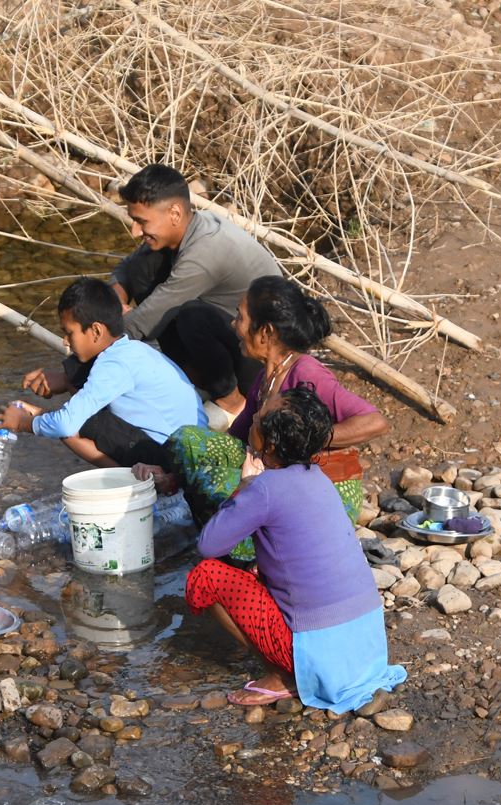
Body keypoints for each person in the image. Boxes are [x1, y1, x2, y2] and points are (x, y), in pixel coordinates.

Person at [138, 275, 389, 559]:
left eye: (240, 318)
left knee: (218, 484)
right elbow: (233, 441)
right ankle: (226, 538)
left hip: (326, 491)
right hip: (278, 475)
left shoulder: (305, 372)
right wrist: (175, 475)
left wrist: (308, 439)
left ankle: (250, 554)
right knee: (189, 440)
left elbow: (375, 422)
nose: (234, 326)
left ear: (265, 332)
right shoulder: (266, 379)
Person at [187, 386, 406, 709]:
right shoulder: (317, 477)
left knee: (205, 577)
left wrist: (243, 486)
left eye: (259, 417)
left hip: (325, 658)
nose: (253, 417)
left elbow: (208, 545)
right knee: (254, 570)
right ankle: (293, 667)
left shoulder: (265, 488)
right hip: (364, 650)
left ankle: (282, 676)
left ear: (269, 443)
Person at [108, 164, 281, 426]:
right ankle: (199, 384)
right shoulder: (184, 230)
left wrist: (96, 344)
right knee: (145, 267)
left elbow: (146, 320)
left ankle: (233, 402)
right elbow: (126, 270)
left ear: (174, 213)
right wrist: (114, 306)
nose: (134, 231)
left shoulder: (205, 251)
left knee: (190, 316)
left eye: (141, 221)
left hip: (259, 361)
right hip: (229, 336)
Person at [1, 278, 204, 468]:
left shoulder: (112, 365)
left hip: (177, 461)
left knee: (82, 423)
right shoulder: (135, 350)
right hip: (197, 449)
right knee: (80, 413)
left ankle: (135, 483)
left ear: (96, 331)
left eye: (69, 333)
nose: (64, 341)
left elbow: (65, 424)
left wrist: (23, 422)